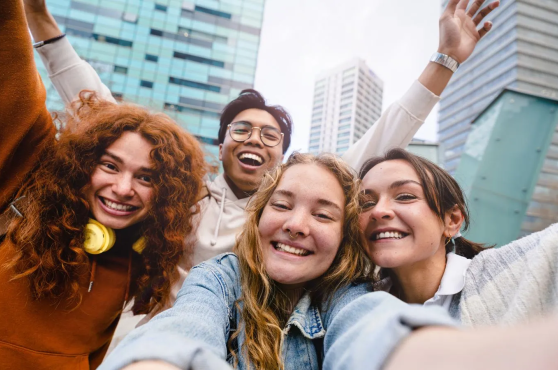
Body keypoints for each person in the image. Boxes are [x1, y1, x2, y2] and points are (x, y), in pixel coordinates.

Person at [23, 0, 500, 321]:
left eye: (270, 135)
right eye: (242, 129)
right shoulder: (182, 193)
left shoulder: (294, 207)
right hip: (153, 329)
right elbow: (104, 111)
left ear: (282, 157)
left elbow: (389, 131)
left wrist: (445, 60)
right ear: (222, 143)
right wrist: (41, 23)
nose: (255, 138)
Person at [98, 153, 458, 370]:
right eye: (282, 205)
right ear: (258, 218)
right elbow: (184, 328)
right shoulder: (218, 279)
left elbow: (373, 330)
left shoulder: (348, 297)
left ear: (344, 238)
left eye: (323, 215)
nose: (296, 225)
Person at [0, 1, 206, 368]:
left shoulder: (145, 261)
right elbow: (11, 67)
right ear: (82, 163)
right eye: (110, 165)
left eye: (146, 177)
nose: (124, 188)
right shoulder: (28, 185)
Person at [359, 148, 558, 326]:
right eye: (366, 203)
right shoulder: (355, 305)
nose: (378, 211)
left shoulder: (508, 273)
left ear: (452, 220)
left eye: (405, 196)